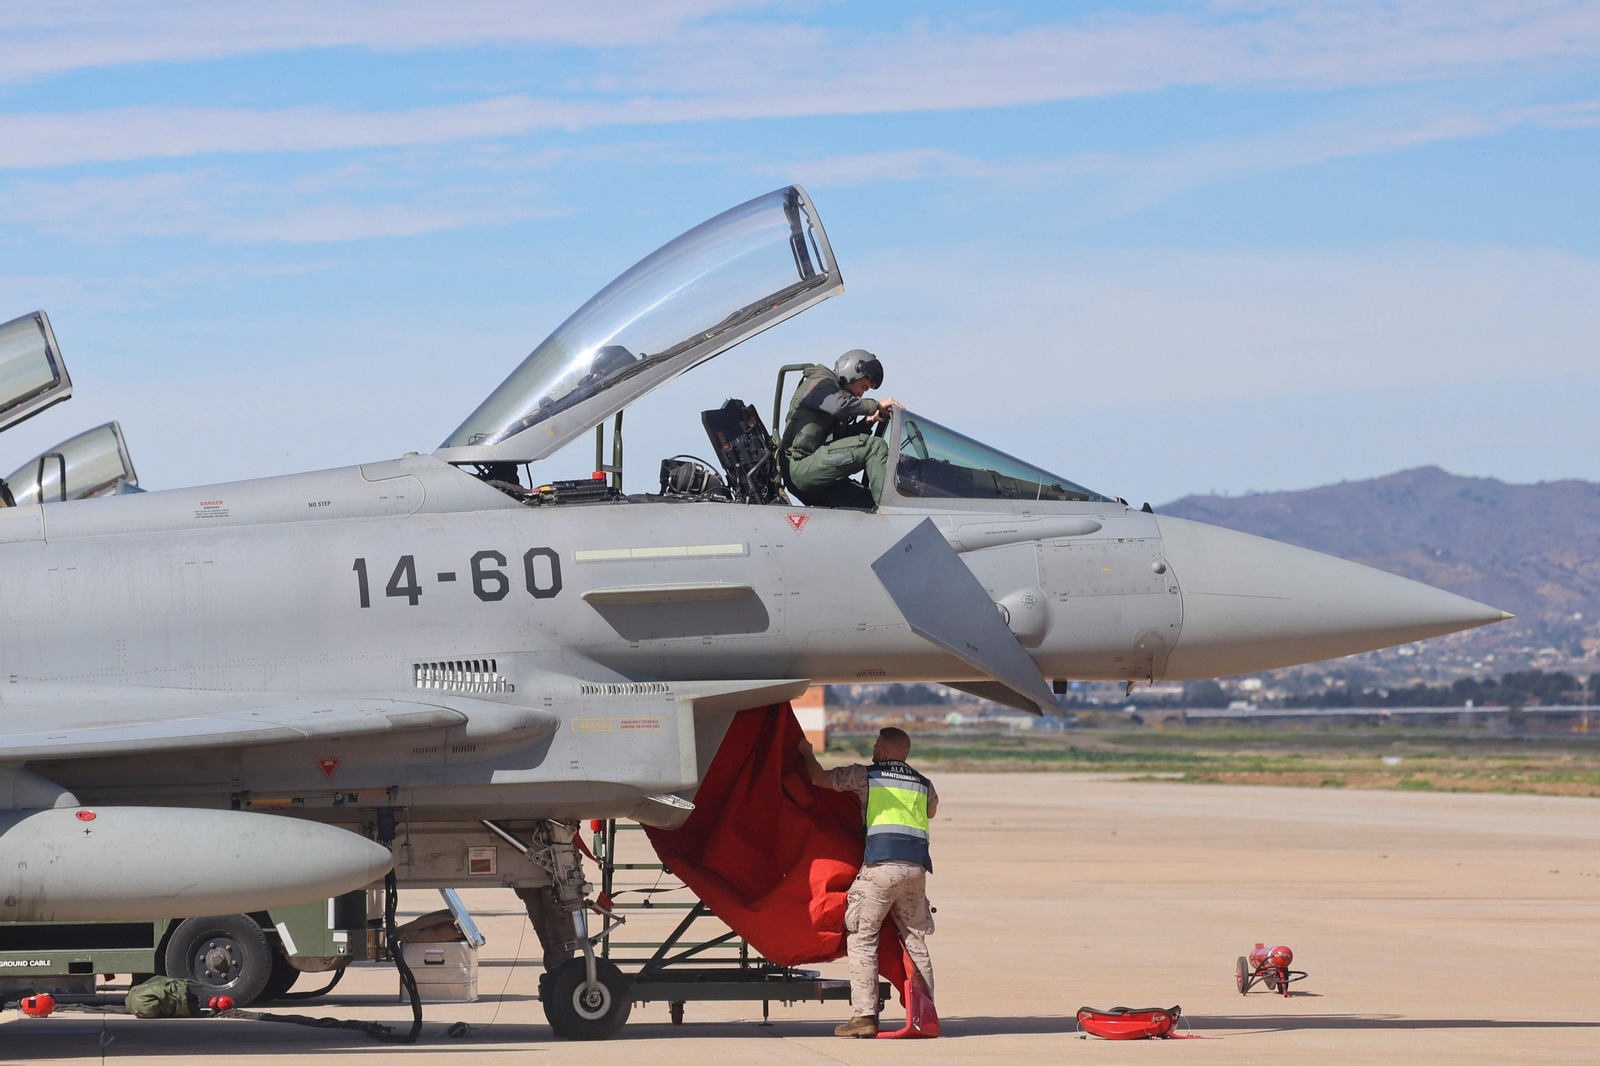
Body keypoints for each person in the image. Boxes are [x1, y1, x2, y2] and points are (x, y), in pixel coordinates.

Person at [797, 726, 937, 1038]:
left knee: (861, 935)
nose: (873, 749)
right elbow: (932, 810)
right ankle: (926, 1012)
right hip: (916, 871)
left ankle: (864, 1016)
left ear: (884, 752)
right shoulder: (923, 783)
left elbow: (818, 779)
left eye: (876, 745)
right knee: (915, 940)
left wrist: (806, 753)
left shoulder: (866, 775)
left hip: (881, 866)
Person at [781, 349, 903, 508]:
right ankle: (892, 512)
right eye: (863, 387)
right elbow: (839, 407)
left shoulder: (832, 396)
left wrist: (869, 421)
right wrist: (876, 405)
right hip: (800, 468)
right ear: (853, 371)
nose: (860, 394)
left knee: (867, 504)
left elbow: (840, 442)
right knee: (874, 447)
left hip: (815, 473)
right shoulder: (820, 382)